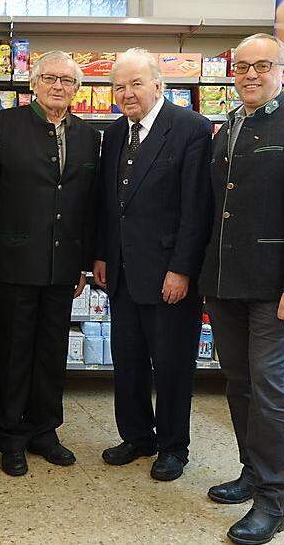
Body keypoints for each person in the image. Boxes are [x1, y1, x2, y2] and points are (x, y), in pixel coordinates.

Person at [198, 33, 284, 545]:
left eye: (263, 66)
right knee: (236, 379)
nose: (251, 75)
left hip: (275, 286)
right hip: (225, 281)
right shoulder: (228, 127)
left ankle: (273, 500)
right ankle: (251, 472)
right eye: (242, 67)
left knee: (269, 387)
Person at [93, 48, 213, 482]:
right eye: (119, 86)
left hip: (168, 274)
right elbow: (111, 205)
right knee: (127, 360)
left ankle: (172, 447)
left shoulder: (191, 129)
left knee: (173, 364)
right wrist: (103, 254)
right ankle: (137, 436)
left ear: (158, 84)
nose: (127, 93)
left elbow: (196, 208)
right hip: (123, 271)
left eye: (135, 84)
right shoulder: (113, 134)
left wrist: (182, 269)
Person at [0, 51, 101, 477]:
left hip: (64, 264)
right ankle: (10, 436)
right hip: (17, 260)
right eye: (50, 78)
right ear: (33, 82)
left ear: (77, 89)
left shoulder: (88, 136)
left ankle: (45, 431)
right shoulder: (5, 126)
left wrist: (85, 263)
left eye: (68, 81)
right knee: (14, 349)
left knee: (52, 349)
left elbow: (89, 204)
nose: (58, 86)